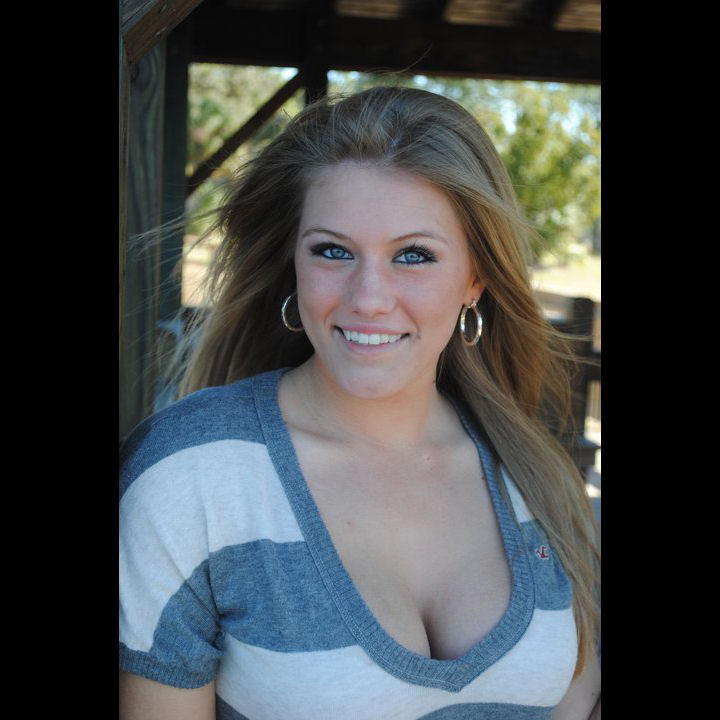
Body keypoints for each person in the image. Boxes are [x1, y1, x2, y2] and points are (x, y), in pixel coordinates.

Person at [119, 85, 600, 719]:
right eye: (333, 251)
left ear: (476, 278)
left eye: (414, 256)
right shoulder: (190, 475)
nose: (369, 298)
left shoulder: (533, 474)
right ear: (294, 263)